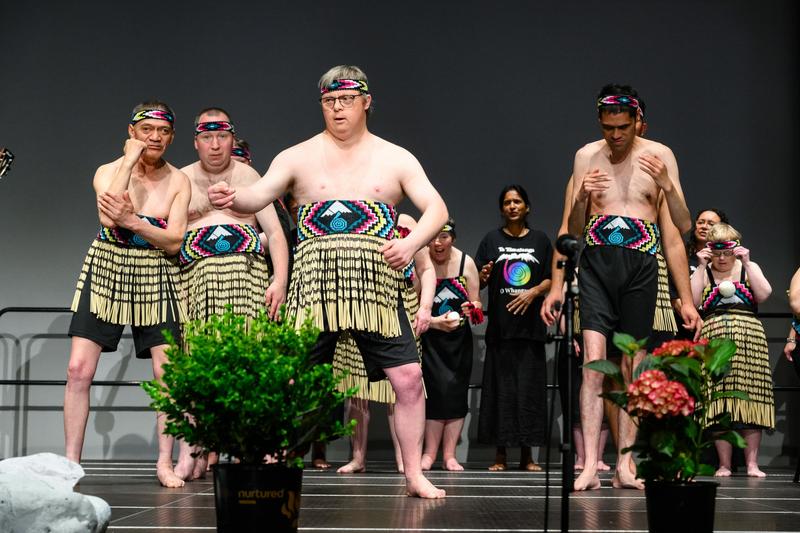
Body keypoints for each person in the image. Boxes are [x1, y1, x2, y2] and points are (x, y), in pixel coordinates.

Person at [208, 65, 448, 498]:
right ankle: (272, 467)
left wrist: (411, 244)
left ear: (366, 102)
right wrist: (232, 198)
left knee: (409, 379)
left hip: (375, 288)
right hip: (313, 287)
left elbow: (437, 209)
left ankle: (413, 474)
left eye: (346, 100)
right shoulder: (296, 156)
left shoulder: (395, 157)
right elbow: (256, 196)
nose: (337, 109)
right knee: (290, 380)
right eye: (328, 101)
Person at [567, 85, 700, 491]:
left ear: (637, 120)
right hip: (596, 264)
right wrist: (580, 200)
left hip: (641, 265)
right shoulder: (585, 156)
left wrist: (669, 185)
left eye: (622, 127)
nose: (615, 135)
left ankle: (625, 465)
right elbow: (573, 230)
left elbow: (682, 227)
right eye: (608, 127)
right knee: (593, 363)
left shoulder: (660, 155)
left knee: (632, 365)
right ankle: (589, 464)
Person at [64, 102, 192, 488]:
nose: (155, 137)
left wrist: (133, 221)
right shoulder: (107, 171)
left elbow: (173, 241)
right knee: (77, 370)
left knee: (166, 373)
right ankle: (71, 464)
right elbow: (107, 218)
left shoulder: (179, 181)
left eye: (163, 132)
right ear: (132, 131)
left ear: (172, 137)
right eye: (147, 129)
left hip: (156, 271)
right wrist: (128, 161)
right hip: (107, 265)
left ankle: (165, 462)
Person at [334, 213, 435, 474]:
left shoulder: (405, 222)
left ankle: (405, 461)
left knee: (402, 386)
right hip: (358, 307)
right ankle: (358, 457)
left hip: (399, 307)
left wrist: (425, 308)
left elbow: (426, 269)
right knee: (356, 392)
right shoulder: (353, 217)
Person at [476, 185, 552, 472]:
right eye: (507, 202)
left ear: (527, 207)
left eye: (517, 201)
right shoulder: (491, 239)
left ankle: (528, 457)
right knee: (501, 393)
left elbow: (550, 278)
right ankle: (500, 456)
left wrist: (533, 293)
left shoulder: (541, 240)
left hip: (530, 330)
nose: (512, 206)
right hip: (501, 331)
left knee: (529, 394)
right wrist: (483, 276)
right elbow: (477, 281)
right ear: (501, 208)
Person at [690, 223, 774, 477]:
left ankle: (752, 464)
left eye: (727, 252)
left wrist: (747, 263)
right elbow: (693, 301)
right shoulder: (704, 272)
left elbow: (764, 294)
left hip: (750, 339)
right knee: (719, 399)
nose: (723, 258)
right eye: (717, 253)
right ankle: (724, 464)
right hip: (715, 338)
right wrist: (702, 266)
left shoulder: (749, 268)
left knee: (752, 397)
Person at [420, 220, 482, 471]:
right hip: (430, 339)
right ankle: (428, 453)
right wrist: (434, 322)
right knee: (433, 395)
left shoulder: (466, 263)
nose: (437, 243)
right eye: (433, 237)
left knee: (456, 395)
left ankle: (449, 455)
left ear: (453, 238)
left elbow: (477, 306)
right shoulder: (422, 263)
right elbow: (414, 309)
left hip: (458, 342)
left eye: (443, 237)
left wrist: (472, 309)